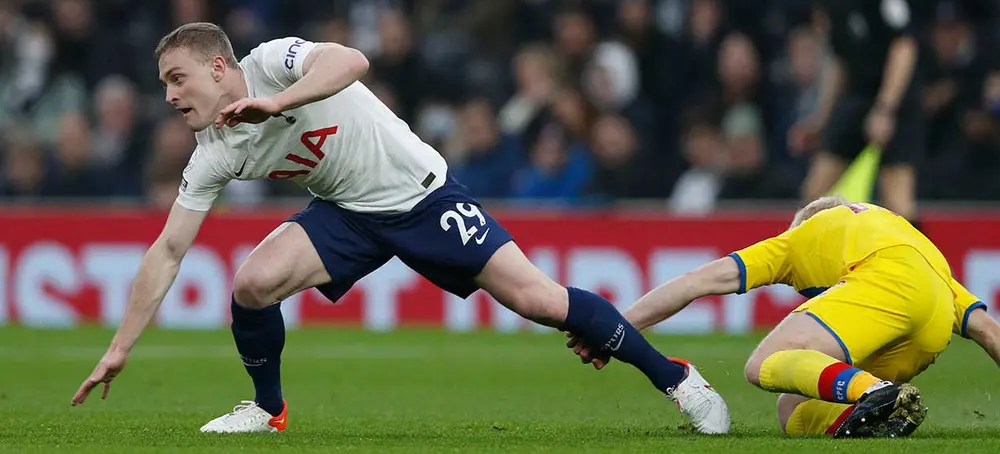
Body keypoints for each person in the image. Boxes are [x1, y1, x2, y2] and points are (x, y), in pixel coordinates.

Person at [69, 22, 730, 435]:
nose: (169, 95)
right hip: (346, 213)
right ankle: (268, 411)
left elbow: (352, 61)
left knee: (539, 300)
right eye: (163, 84)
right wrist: (121, 346)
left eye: (176, 78)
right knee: (251, 285)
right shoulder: (213, 151)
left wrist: (277, 103)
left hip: (423, 196)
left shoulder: (272, 62)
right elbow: (169, 249)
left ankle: (676, 377)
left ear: (219, 67)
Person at [567, 196, 1000, 438]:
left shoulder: (798, 238)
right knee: (792, 408)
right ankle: (871, 416)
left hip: (883, 283)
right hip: (932, 323)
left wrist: (614, 328)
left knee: (763, 364)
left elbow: (695, 282)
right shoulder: (905, 237)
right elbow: (987, 331)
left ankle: (875, 391)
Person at [789, 0, 922, 225]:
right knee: (813, 193)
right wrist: (821, 118)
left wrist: (886, 108)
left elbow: (904, 45)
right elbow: (839, 61)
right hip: (858, 96)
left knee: (898, 201)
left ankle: (918, 257)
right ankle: (816, 256)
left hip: (893, 97)